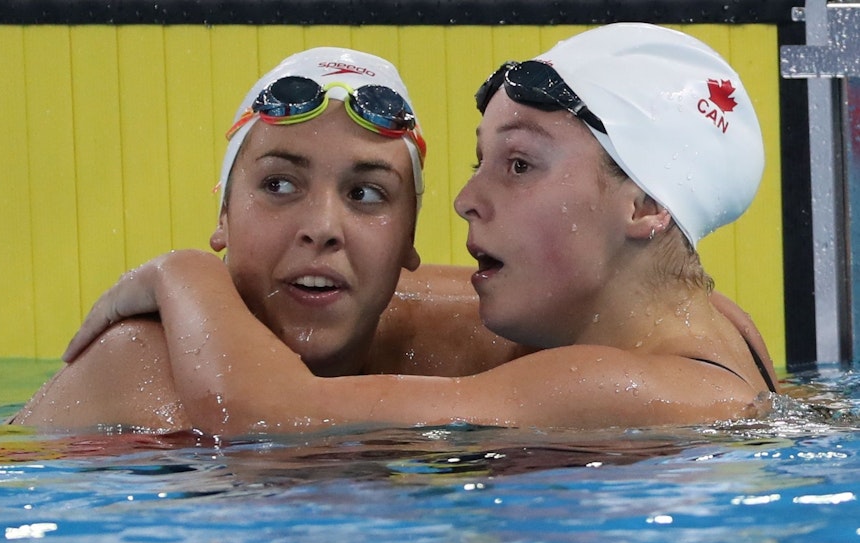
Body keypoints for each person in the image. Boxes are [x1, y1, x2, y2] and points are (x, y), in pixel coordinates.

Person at [48, 22, 780, 436]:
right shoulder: (697, 325)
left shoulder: (641, 385)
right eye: (279, 184)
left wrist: (183, 272)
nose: (466, 198)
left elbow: (270, 415)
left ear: (648, 207)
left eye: (519, 165)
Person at [13, 47, 528, 430]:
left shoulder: (484, 332)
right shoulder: (141, 370)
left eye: (366, 194)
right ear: (224, 213)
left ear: (408, 239)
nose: (323, 228)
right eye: (280, 185)